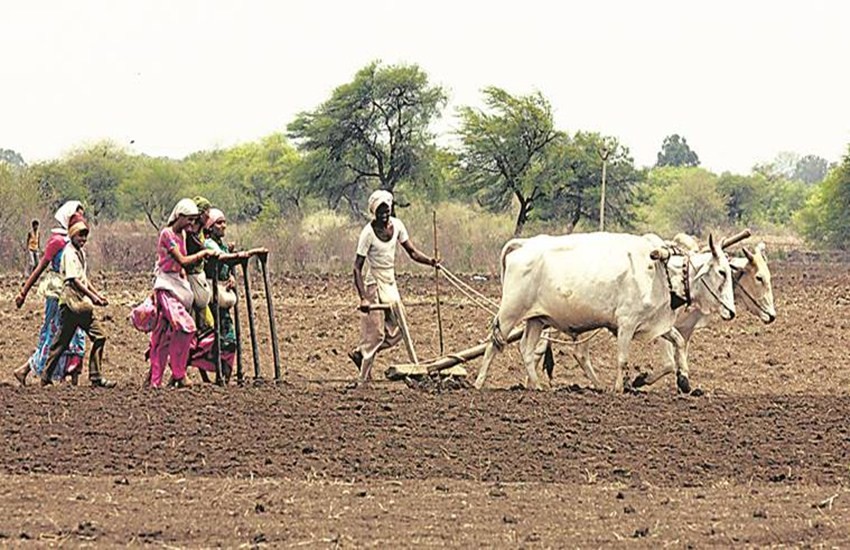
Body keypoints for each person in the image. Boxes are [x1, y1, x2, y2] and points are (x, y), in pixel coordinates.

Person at [350, 189, 438, 381]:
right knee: (375, 334)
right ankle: (363, 379)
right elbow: (357, 268)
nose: (384, 215)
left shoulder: (397, 225)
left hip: (390, 282)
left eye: (387, 211)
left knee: (400, 327)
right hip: (374, 282)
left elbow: (412, 252)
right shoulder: (368, 233)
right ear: (374, 212)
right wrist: (363, 298)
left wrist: (431, 262)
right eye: (380, 212)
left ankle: (361, 353)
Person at [13, 201, 87, 386]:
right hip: (57, 293)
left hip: (72, 293)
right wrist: (23, 292)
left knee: (74, 334)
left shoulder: (75, 241)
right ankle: (30, 369)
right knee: (56, 334)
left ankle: (68, 378)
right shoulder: (58, 241)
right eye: (76, 216)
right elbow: (40, 267)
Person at [147, 199, 218, 388]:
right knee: (186, 326)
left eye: (194, 220)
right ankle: (178, 373)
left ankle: (155, 381)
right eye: (189, 219)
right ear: (179, 216)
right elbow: (182, 260)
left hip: (178, 285)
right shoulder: (167, 234)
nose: (191, 223)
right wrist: (203, 254)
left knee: (163, 336)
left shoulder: (183, 235)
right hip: (166, 286)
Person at [41, 213, 115, 388]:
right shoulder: (69, 253)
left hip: (78, 304)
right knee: (95, 337)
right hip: (72, 303)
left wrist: (97, 294)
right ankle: (94, 377)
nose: (83, 239)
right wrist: (93, 297)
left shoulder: (79, 252)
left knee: (63, 341)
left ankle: (46, 376)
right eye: (80, 235)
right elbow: (74, 280)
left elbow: (84, 279)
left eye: (85, 236)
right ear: (72, 234)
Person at [189, 208, 251, 382]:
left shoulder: (221, 245)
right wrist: (235, 256)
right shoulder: (209, 244)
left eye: (224, 222)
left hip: (221, 296)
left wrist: (230, 276)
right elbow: (222, 259)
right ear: (210, 227)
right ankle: (211, 377)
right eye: (219, 223)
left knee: (227, 340)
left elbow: (225, 268)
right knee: (211, 339)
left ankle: (222, 377)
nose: (223, 225)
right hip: (211, 297)